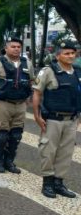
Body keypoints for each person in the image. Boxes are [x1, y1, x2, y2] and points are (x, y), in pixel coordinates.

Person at [32, 40, 78, 198]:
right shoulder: (48, 71)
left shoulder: (77, 72)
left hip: (71, 120)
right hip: (52, 119)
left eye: (73, 53)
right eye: (66, 53)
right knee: (48, 151)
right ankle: (48, 183)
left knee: (66, 152)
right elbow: (37, 93)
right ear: (58, 55)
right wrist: (37, 116)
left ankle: (59, 182)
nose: (70, 56)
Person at [0, 37, 35, 174]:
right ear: (6, 48)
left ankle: (9, 161)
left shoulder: (27, 63)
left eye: (18, 47)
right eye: (13, 46)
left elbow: (31, 81)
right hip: (3, 103)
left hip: (21, 104)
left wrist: (29, 96)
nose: (16, 49)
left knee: (16, 134)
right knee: (2, 134)